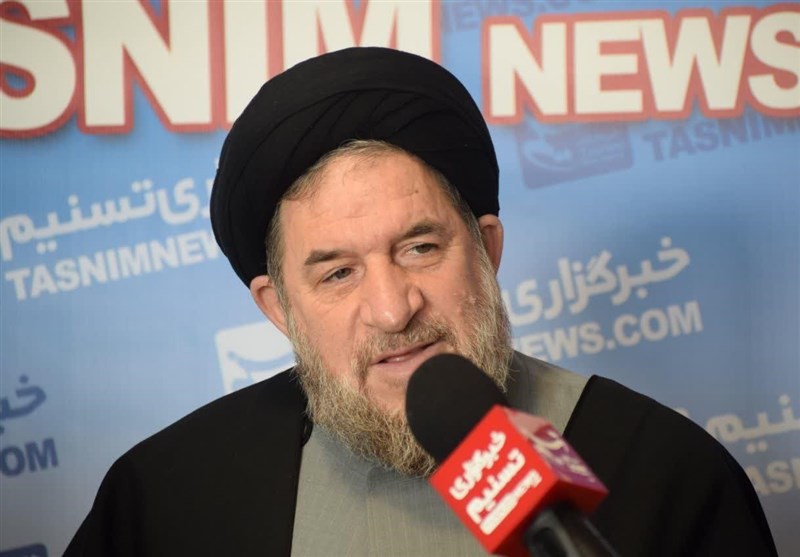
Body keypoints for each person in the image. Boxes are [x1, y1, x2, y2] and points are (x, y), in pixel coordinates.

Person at [64, 47, 777, 556]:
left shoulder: (665, 474)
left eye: (420, 248)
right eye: (337, 273)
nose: (392, 308)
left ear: (487, 249)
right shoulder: (169, 497)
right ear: (279, 309)